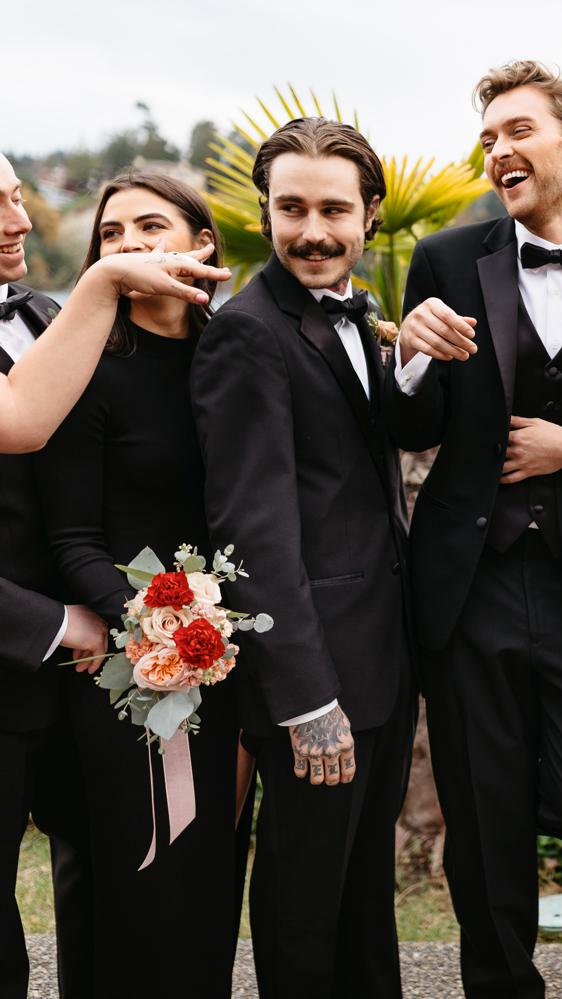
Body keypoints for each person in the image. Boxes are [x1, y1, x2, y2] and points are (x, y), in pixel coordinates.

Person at [386, 62, 562, 997]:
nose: (498, 151)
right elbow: (415, 427)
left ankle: (513, 807)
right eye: (488, 139)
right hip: (469, 578)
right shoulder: (444, 260)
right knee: (481, 816)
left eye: (518, 130)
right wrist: (409, 357)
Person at [190, 118, 414, 999]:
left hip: (381, 659)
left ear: (370, 214)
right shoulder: (248, 332)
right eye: (291, 209)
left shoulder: (360, 312)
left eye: (332, 209)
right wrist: (305, 698)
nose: (312, 231)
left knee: (363, 901)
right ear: (265, 212)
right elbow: (251, 530)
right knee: (304, 910)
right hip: (315, 682)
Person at [34, 171, 242, 998]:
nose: (127, 245)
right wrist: (155, 628)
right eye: (111, 234)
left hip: (236, 665)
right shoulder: (88, 370)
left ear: (203, 244)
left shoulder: (238, 355)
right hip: (129, 670)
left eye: (149, 226)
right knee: (138, 889)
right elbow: (72, 539)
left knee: (212, 881)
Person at [0, 151, 105, 999]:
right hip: (24, 652)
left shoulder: (50, 316)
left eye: (14, 198)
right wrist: (53, 622)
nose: (20, 221)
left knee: (103, 888)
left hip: (87, 683)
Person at [0, 154, 226, 454]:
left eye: (18, 199)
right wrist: (103, 279)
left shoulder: (45, 310)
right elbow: (21, 422)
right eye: (111, 234)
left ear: (204, 242)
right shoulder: (93, 374)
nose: (23, 223)